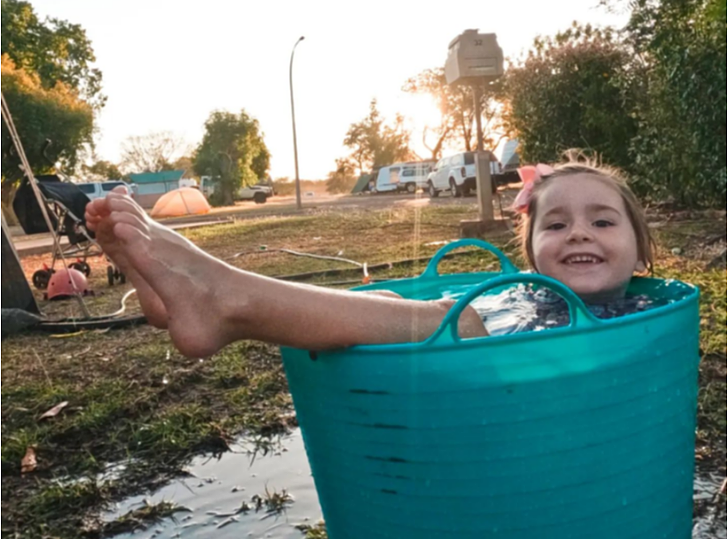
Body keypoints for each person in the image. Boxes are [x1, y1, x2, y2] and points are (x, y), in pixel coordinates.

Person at [85, 154, 655, 358]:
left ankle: (225, 295)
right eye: (555, 224)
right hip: (490, 318)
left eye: (602, 221)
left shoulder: (634, 314)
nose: (579, 234)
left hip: (480, 333)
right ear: (529, 254)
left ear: (640, 249)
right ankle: (173, 292)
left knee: (444, 321)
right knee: (382, 302)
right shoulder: (531, 293)